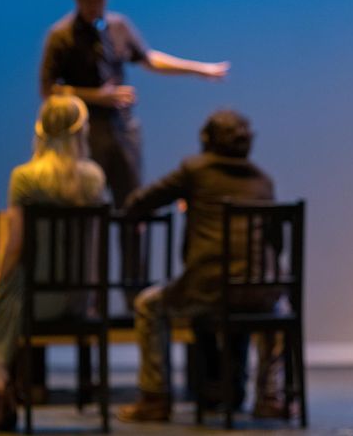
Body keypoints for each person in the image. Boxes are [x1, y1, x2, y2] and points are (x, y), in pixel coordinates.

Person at [116, 109, 284, 423]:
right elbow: (275, 242)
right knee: (278, 309)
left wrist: (135, 215)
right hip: (257, 290)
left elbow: (143, 200)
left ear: (206, 139)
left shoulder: (195, 171)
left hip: (207, 289)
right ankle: (269, 397)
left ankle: (154, 398)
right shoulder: (263, 181)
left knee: (148, 305)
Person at [0, 95, 107, 431]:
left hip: (36, 298)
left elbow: (15, 243)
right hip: (79, 297)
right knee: (1, 310)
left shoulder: (26, 177)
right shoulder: (94, 177)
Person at [40, 0, 230, 210]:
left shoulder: (118, 26)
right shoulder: (61, 35)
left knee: (131, 202)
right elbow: (48, 89)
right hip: (86, 131)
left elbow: (148, 59)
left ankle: (132, 236)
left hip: (122, 127)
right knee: (88, 202)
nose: (94, 5)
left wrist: (199, 69)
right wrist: (96, 96)